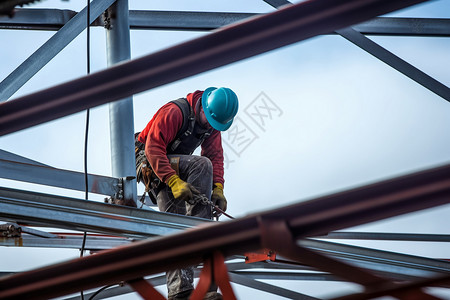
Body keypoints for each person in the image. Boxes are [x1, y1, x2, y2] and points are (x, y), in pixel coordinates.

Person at [135, 87, 239, 300]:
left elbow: (216, 156)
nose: (211, 127)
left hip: (176, 163)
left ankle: (206, 286)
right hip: (148, 160)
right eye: (210, 121)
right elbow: (153, 148)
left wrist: (218, 188)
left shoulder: (211, 124)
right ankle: (180, 291)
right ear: (204, 108)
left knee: (188, 221)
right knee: (176, 220)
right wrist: (172, 181)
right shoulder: (175, 112)